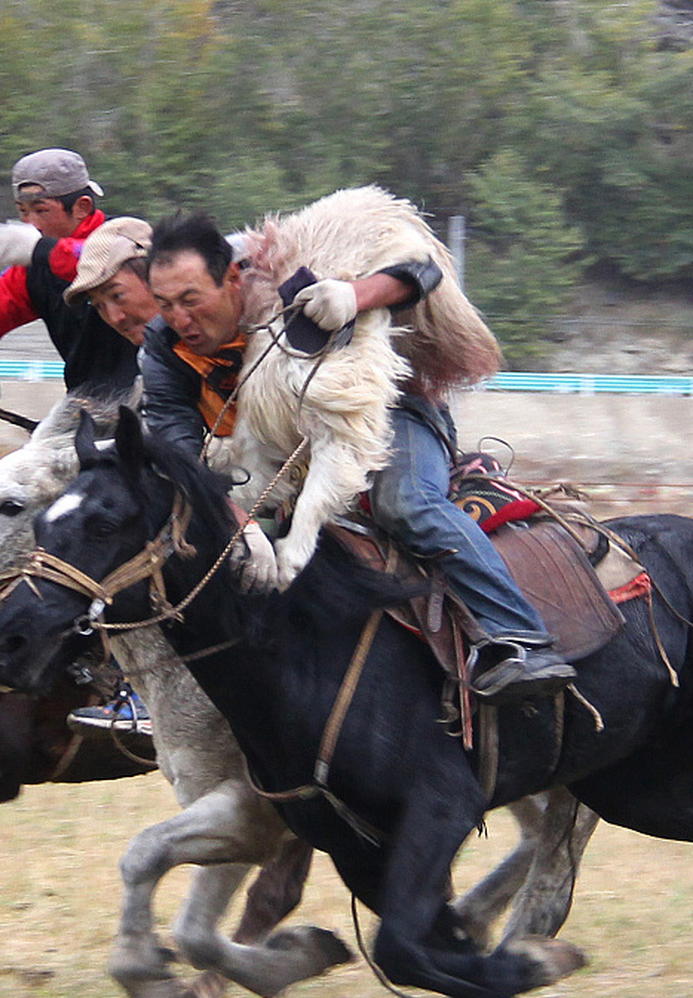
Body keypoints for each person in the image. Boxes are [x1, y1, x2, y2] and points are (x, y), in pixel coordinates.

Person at [139, 210, 576, 703]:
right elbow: (176, 442)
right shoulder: (162, 346)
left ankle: (519, 637)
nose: (179, 319)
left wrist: (352, 295)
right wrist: (232, 516)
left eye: (191, 300)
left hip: (391, 410)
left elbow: (422, 270)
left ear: (232, 277)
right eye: (164, 304)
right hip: (263, 451)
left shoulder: (289, 269)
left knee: (404, 501)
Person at [0, 149, 139, 448]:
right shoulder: (30, 271)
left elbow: (110, 265)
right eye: (22, 212)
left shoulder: (129, 242)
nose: (29, 224)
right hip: (90, 413)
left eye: (41, 211)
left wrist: (44, 251)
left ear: (82, 207)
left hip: (166, 405)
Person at [57, 216, 162, 738]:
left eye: (118, 295)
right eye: (100, 306)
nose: (114, 316)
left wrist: (34, 249)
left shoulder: (225, 314)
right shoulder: (154, 352)